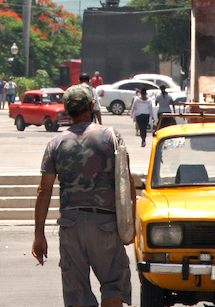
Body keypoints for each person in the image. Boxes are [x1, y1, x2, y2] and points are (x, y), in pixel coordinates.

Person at [32, 85, 133, 307]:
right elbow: (126, 181)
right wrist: (130, 224)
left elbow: (44, 190)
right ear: (91, 106)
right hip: (106, 223)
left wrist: (39, 234)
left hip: (71, 225)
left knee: (76, 291)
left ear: (67, 110)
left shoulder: (56, 144)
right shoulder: (111, 136)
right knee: (114, 283)